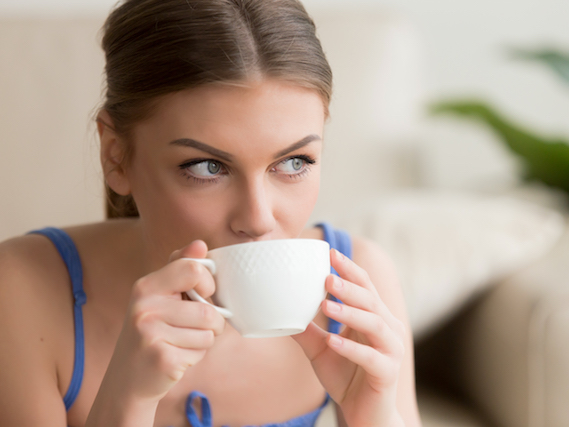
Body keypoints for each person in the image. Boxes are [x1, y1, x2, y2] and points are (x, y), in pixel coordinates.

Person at [0, 0, 421, 426]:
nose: (257, 218)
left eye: (294, 162)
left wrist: (373, 414)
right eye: (207, 167)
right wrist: (126, 402)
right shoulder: (23, 290)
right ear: (116, 156)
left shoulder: (355, 291)